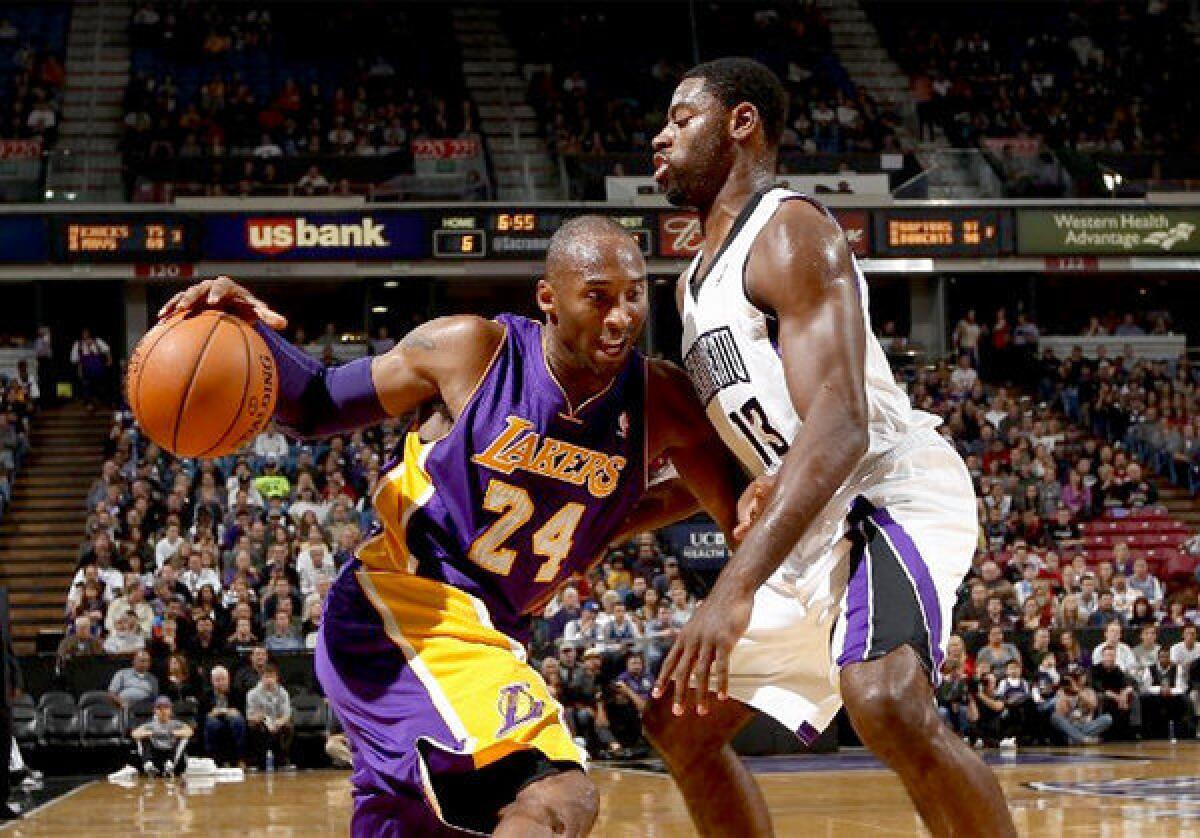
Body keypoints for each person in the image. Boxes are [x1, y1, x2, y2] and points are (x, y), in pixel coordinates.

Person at [158, 210, 748, 835]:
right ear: (548, 298)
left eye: (634, 296)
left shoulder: (662, 400)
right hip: (404, 610)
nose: (622, 316)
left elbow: (721, 497)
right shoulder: (473, 350)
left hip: (488, 633)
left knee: (423, 824)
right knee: (558, 798)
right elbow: (317, 403)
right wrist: (248, 333)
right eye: (597, 297)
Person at [647, 57, 1013, 835]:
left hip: (882, 497)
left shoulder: (788, 229)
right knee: (677, 723)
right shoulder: (690, 286)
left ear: (741, 123)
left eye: (681, 120)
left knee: (884, 698)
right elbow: (749, 445)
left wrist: (732, 586)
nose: (660, 136)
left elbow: (841, 425)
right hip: (808, 523)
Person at [245, 663, 294, 770]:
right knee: (254, 726)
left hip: (277, 722)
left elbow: (286, 713)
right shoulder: (252, 694)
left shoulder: (283, 693)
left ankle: (282, 761)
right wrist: (260, 719)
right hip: (261, 722)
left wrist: (279, 722)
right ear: (261, 678)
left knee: (288, 726)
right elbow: (250, 716)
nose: (269, 680)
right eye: (266, 677)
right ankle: (258, 761)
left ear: (276, 678)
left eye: (272, 677)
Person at [131, 696, 192, 778]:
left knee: (184, 738)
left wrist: (173, 733)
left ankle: (170, 765)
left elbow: (189, 732)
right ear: (155, 711)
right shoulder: (150, 724)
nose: (163, 711)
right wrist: (150, 733)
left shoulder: (176, 723)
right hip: (155, 753)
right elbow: (134, 734)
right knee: (141, 738)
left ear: (170, 710)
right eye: (159, 708)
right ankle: (148, 765)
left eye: (166, 708)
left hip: (171, 753)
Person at [201, 665, 246, 767]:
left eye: (223, 679)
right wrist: (212, 714)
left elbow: (240, 712)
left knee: (237, 720)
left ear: (228, 679)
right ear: (212, 681)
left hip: (232, 722)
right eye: (217, 680)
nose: (221, 682)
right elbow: (202, 716)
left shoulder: (237, 693)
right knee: (212, 723)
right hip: (214, 723)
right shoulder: (206, 696)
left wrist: (223, 711)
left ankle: (239, 759)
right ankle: (212, 760)